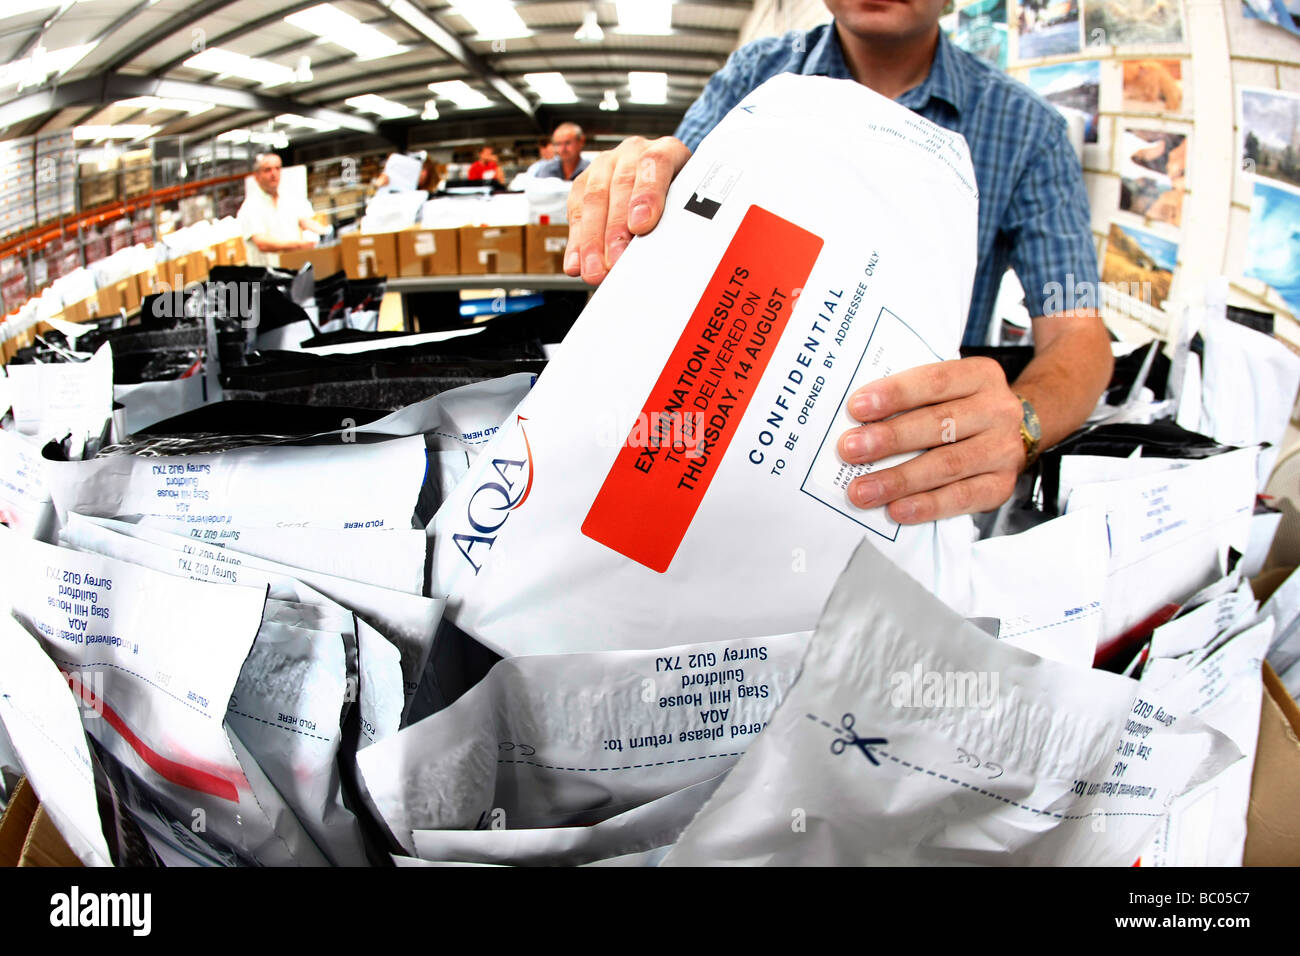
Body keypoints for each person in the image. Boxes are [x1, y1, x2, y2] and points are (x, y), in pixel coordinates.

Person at [562, 0, 1112, 527]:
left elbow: (1077, 330)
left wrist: (1023, 424)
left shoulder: (1027, 129)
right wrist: (646, 183)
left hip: (902, 467)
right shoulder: (755, 77)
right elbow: (678, 211)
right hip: (725, 419)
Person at [237, 153, 327, 269]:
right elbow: (262, 243)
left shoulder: (288, 199)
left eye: (277, 168)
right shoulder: (251, 206)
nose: (273, 174)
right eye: (267, 170)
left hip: (293, 268)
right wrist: (298, 245)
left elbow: (303, 221)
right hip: (269, 277)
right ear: (257, 176)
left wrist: (325, 232)